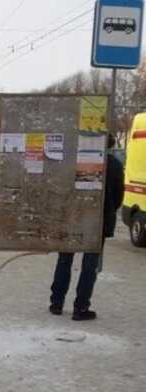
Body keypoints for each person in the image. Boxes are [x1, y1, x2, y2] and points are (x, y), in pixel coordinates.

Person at [49, 134, 125, 321]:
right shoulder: (114, 164)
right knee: (89, 265)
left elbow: (60, 189)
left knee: (64, 260)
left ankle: (56, 303)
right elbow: (118, 197)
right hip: (97, 221)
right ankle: (81, 307)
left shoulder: (74, 161)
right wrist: (107, 211)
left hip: (72, 218)